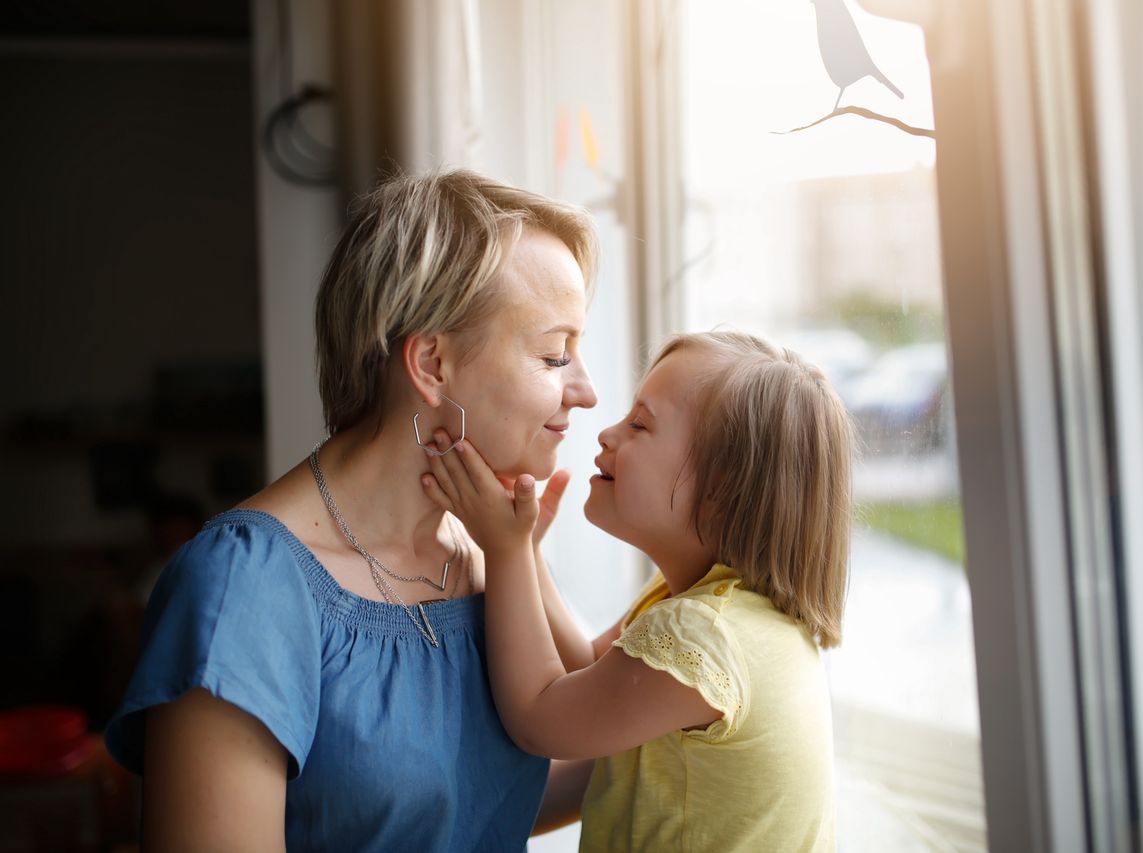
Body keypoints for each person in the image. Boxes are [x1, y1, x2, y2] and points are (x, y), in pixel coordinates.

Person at [105, 169, 610, 850]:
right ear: (431, 363)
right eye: (555, 355)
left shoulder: (486, 552)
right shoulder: (241, 593)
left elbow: (465, 798)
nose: (587, 392)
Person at [422, 330, 853, 851]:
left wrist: (505, 551)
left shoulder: (702, 635)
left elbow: (540, 718)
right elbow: (587, 670)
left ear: (721, 489)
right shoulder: (703, 606)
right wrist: (528, 557)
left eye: (640, 425)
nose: (607, 433)